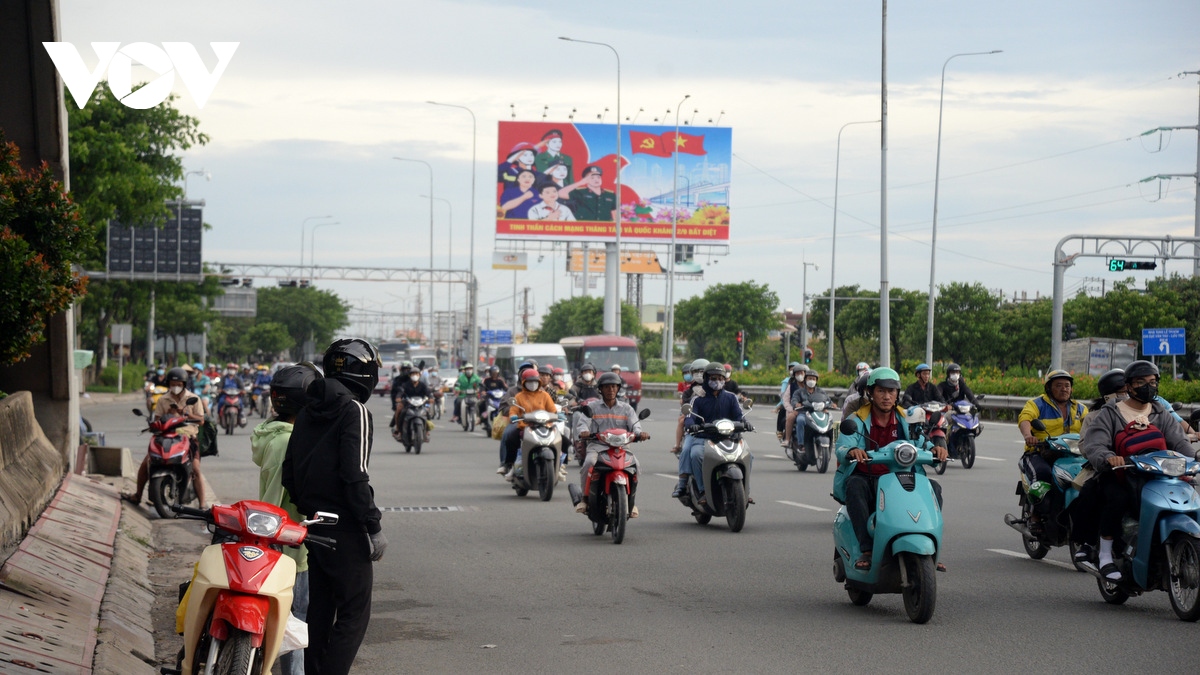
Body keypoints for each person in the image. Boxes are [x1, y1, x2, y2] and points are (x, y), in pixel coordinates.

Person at [281, 338, 386, 675]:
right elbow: (355, 476)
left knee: (320, 612)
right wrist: (373, 526)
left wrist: (309, 512)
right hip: (345, 527)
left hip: (312, 525)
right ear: (364, 372)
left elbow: (290, 473)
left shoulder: (307, 411)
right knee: (355, 611)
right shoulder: (355, 411)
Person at [1080, 360, 1195, 581]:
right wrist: (1108, 457)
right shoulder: (1110, 413)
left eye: (1152, 382)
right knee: (1117, 499)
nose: (1148, 387)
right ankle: (1105, 555)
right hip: (1121, 474)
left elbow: (1180, 443)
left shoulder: (1161, 413)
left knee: (1188, 491)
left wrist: (1193, 458)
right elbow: (1095, 445)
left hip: (1158, 475)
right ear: (1129, 386)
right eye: (1141, 382)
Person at [835, 367, 947, 572]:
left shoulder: (907, 418)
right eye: (881, 391)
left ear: (897, 394)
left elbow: (920, 442)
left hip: (900, 476)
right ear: (871, 393)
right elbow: (842, 446)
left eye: (892, 391)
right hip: (868, 477)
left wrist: (935, 450)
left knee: (934, 488)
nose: (887, 396)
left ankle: (930, 550)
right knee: (854, 486)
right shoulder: (857, 419)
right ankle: (866, 550)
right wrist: (852, 450)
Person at [250, 363, 320, 675]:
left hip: (282, 542)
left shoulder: (275, 435)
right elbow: (272, 501)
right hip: (288, 546)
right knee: (295, 617)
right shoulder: (286, 442)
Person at [122, 367, 210, 508]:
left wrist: (186, 414)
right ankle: (138, 495)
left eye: (179, 384)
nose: (176, 387)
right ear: (169, 384)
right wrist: (167, 414)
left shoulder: (193, 399)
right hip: (167, 437)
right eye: (173, 384)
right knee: (146, 463)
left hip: (188, 437)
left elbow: (201, 420)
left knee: (196, 468)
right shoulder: (163, 400)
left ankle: (202, 504)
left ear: (184, 384)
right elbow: (157, 420)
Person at [1016, 370, 1089, 533]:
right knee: (1042, 475)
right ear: (1049, 388)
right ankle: (1035, 516)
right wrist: (1029, 436)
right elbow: (1025, 419)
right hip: (1040, 453)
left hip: (1072, 454)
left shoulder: (1080, 409)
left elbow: (1093, 425)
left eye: (1067, 386)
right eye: (1059, 386)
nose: (1064, 389)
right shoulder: (1037, 404)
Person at [574, 372, 647, 517]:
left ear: (618, 388)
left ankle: (631, 502)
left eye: (614, 386)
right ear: (600, 389)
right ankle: (585, 498)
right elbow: (582, 424)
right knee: (589, 463)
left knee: (636, 466)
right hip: (598, 447)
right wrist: (584, 431)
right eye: (607, 387)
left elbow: (635, 426)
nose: (611, 390)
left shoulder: (627, 408)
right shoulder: (592, 407)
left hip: (622, 447)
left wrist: (640, 433)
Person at [683, 362, 753, 506]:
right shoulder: (697, 398)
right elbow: (689, 418)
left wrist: (745, 423)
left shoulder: (731, 397)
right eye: (714, 378)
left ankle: (746, 491)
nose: (718, 381)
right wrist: (692, 426)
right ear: (706, 378)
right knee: (696, 455)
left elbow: (739, 415)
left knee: (749, 455)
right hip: (704, 438)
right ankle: (702, 491)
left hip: (729, 437)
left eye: (720, 378)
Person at [500, 369, 559, 479]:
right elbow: (513, 410)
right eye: (529, 382)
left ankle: (560, 465)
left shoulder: (545, 395)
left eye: (535, 381)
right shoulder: (519, 396)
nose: (532, 384)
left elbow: (552, 410)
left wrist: (557, 415)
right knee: (510, 439)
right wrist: (513, 416)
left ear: (539, 382)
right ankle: (511, 465)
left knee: (562, 439)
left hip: (545, 426)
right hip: (525, 427)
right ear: (523, 383)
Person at [391, 367, 432, 442]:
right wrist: (398, 397)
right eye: (413, 374)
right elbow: (400, 392)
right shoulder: (405, 385)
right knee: (399, 410)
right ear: (410, 375)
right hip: (407, 403)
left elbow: (428, 393)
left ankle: (426, 431)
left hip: (421, 403)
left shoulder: (423, 385)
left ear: (419, 375)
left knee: (428, 411)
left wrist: (431, 397)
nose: (414, 375)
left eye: (416, 374)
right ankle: (398, 430)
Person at [790, 368, 826, 450]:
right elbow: (794, 400)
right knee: (800, 420)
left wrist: (831, 404)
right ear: (805, 379)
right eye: (810, 378)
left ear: (816, 381)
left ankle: (830, 441)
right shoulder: (799, 392)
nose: (811, 381)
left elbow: (827, 400)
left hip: (818, 413)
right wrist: (796, 404)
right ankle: (801, 444)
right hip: (804, 413)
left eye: (813, 379)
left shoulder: (821, 391)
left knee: (829, 420)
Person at [780, 364, 808, 447]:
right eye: (797, 373)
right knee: (790, 417)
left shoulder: (809, 386)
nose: (800, 375)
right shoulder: (791, 386)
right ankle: (787, 439)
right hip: (795, 410)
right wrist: (792, 409)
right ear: (794, 375)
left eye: (801, 373)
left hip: (809, 410)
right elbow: (786, 400)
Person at [775, 361, 801, 442]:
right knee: (784, 412)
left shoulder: (805, 382)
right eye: (791, 369)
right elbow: (784, 396)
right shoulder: (789, 382)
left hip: (804, 408)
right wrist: (780, 405)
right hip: (791, 405)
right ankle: (783, 433)